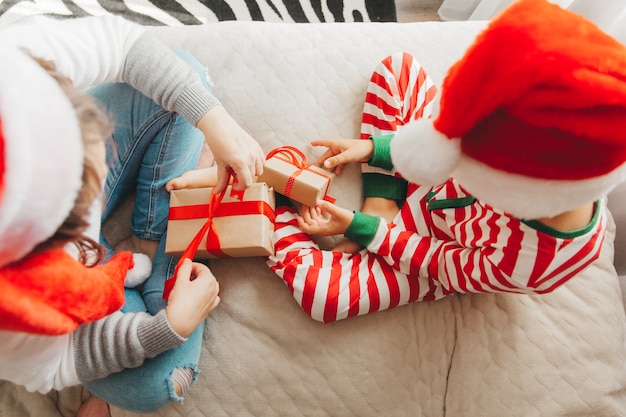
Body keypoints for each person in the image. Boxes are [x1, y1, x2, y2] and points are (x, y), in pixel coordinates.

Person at [263, 0, 626, 323]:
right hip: (436, 192)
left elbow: (439, 263)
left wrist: (364, 229)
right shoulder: (560, 146)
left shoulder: (527, 264)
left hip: (436, 248)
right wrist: (378, 150)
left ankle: (276, 206)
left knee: (325, 298)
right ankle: (382, 202)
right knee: (398, 70)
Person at [0, 13, 263, 416]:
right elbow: (54, 365)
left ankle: (149, 242)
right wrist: (166, 329)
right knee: (157, 385)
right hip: (48, 300)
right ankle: (159, 260)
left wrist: (215, 120)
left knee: (183, 78)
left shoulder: (12, 63)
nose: (106, 166)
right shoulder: (15, 312)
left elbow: (123, 45)